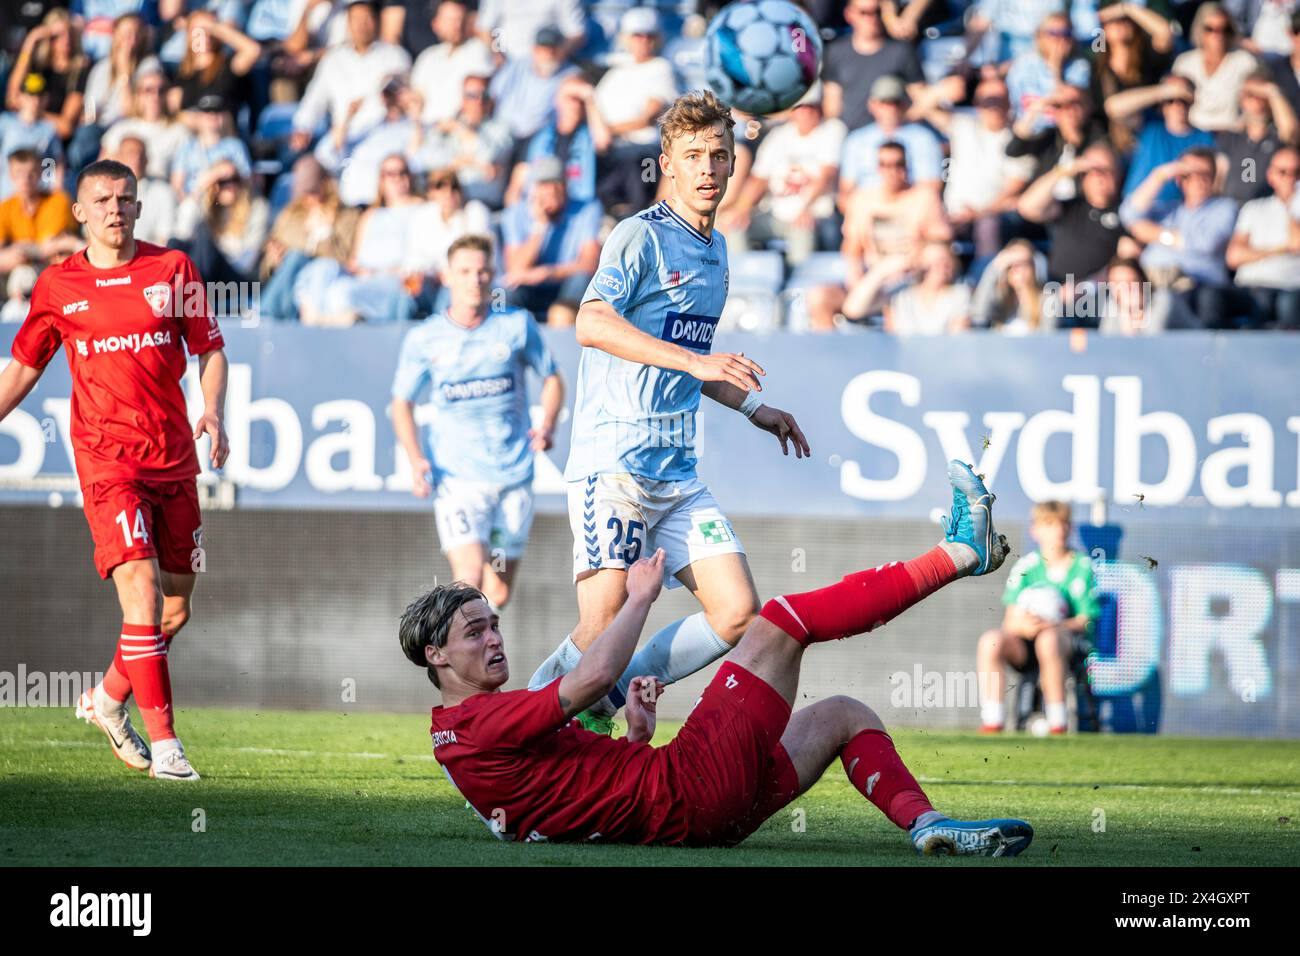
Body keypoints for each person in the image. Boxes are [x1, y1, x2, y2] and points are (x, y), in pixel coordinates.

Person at [404, 460, 1032, 855]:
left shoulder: (460, 734)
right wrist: (640, 598)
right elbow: (594, 674)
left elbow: (575, 799)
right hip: (691, 791)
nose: (494, 639)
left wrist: (638, 737)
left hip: (705, 817)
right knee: (780, 623)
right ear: (436, 656)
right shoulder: (479, 724)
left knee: (844, 714)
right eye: (473, 633)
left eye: (492, 625)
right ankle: (959, 554)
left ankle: (926, 825)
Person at [526, 91, 811, 734]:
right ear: (668, 165)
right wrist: (698, 363)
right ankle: (513, 736)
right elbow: (590, 322)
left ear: (735, 163)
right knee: (601, 624)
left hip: (677, 474)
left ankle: (609, 689)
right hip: (616, 465)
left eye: (719, 154)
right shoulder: (639, 236)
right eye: (693, 156)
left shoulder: (717, 253)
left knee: (737, 611)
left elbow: (692, 359)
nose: (707, 168)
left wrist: (755, 407)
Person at [0, 157, 230, 781]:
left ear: (138, 206)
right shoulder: (57, 285)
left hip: (174, 458)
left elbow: (209, 347)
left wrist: (212, 411)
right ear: (79, 211)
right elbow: (23, 366)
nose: (113, 209)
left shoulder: (171, 269)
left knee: (174, 610)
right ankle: (168, 748)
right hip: (107, 462)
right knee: (142, 593)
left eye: (124, 199)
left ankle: (106, 701)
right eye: (100, 200)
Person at [391, 234, 565, 610]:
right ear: (447, 276)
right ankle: (453, 662)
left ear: (494, 274)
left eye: (484, 271)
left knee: (497, 593)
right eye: (466, 271)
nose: (476, 279)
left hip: (513, 476)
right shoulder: (426, 338)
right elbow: (401, 402)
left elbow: (552, 378)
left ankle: (472, 654)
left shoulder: (516, 326)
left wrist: (547, 423)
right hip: (458, 478)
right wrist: (416, 458)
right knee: (467, 579)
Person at [976, 500, 1098, 736]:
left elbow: (1085, 619)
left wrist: (1052, 625)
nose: (1058, 530)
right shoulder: (1027, 566)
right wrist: (1025, 626)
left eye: (1064, 524)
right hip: (1025, 645)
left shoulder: (1082, 566)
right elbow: (1009, 622)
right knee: (990, 641)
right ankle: (992, 721)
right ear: (1036, 530)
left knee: (1048, 640)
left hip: (1066, 645)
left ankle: (1057, 722)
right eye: (1050, 524)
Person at [717, 81, 845, 265]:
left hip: (815, 214)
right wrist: (742, 208)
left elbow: (827, 175)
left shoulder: (832, 130)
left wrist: (806, 207)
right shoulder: (778, 136)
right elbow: (758, 179)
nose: (806, 112)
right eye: (800, 107)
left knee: (802, 229)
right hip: (776, 212)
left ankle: (798, 286)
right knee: (734, 224)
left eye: (811, 107)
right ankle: (745, 284)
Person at [1120, 146, 1240, 328]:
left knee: (1165, 300)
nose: (1197, 180)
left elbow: (1205, 243)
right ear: (1178, 179)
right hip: (1153, 280)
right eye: (1189, 174)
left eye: (1204, 174)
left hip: (1196, 286)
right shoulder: (1168, 209)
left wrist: (1155, 234)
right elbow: (1129, 215)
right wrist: (1159, 176)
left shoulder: (1224, 207)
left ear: (1214, 178)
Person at [500, 155, 601, 327]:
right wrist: (540, 226)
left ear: (566, 185)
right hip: (530, 287)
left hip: (565, 282)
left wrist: (549, 272)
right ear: (533, 188)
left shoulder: (587, 209)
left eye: (557, 183)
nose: (551, 190)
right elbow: (516, 270)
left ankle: (567, 329)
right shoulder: (515, 213)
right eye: (544, 184)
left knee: (581, 279)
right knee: (505, 293)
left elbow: (589, 264)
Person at [821, 0, 924, 134]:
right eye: (864, 12)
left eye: (877, 12)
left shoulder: (901, 52)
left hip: (891, 135)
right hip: (850, 137)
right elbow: (832, 107)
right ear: (848, 14)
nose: (872, 18)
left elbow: (920, 99)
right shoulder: (835, 52)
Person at [1225, 146, 1300, 328]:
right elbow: (1234, 257)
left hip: (1291, 287)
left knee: (1287, 304)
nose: (1289, 178)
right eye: (1282, 172)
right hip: (1252, 285)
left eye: (1296, 172)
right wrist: (1280, 249)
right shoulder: (1253, 208)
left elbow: (1297, 243)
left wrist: (1293, 204)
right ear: (1271, 175)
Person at [1172, 3, 1258, 133]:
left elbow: (1255, 105)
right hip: (1192, 135)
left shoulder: (1245, 62)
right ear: (1199, 30)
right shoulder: (1184, 63)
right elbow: (1174, 104)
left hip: (1232, 136)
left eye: (1225, 29)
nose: (1218, 35)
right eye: (1210, 29)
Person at [0, 147, 81, 276]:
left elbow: (47, 246)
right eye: (19, 173)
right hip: (21, 266)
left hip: (52, 266)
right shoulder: (5, 207)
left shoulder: (58, 200)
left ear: (41, 172)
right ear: (10, 174)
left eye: (31, 172)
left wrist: (20, 250)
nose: (25, 179)